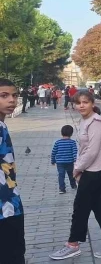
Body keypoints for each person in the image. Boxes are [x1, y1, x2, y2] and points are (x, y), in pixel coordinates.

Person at [50, 91, 101, 260]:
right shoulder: (86, 120)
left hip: (97, 170)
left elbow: (92, 151)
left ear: (92, 103)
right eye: (78, 103)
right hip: (98, 168)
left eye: (85, 102)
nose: (81, 106)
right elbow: (85, 149)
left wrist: (77, 169)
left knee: (81, 207)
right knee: (100, 206)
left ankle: (73, 244)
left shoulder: (95, 122)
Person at [0, 79, 25, 264]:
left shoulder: (2, 125)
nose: (12, 100)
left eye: (14, 95)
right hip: (5, 206)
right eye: (4, 96)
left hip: (9, 200)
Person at [51, 125, 78, 194]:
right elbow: (74, 152)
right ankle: (73, 185)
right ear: (71, 134)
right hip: (69, 162)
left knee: (61, 175)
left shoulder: (57, 142)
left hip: (60, 163)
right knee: (71, 174)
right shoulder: (72, 142)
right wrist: (76, 160)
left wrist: (53, 160)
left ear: (61, 133)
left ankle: (62, 189)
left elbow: (53, 152)